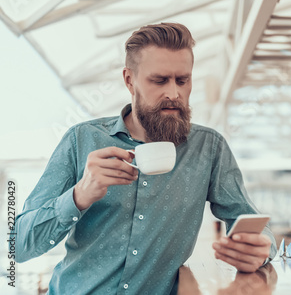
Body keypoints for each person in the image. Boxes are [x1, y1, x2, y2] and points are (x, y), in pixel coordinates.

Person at [15, 22, 277, 294]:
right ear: (129, 80)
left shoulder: (208, 149)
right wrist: (79, 195)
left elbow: (252, 224)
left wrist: (261, 249)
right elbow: (19, 246)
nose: (174, 94)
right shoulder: (81, 140)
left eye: (182, 80)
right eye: (160, 80)